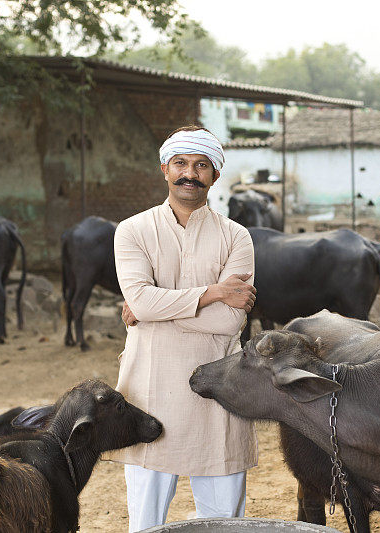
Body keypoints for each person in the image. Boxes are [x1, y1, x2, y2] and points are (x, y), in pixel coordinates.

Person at [105, 126, 258, 532]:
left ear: (215, 175)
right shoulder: (132, 230)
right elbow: (141, 302)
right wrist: (213, 292)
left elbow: (229, 320)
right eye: (181, 164)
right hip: (149, 394)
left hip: (219, 393)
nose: (190, 173)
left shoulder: (236, 236)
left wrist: (154, 308)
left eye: (201, 165)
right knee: (146, 524)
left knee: (224, 524)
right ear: (165, 169)